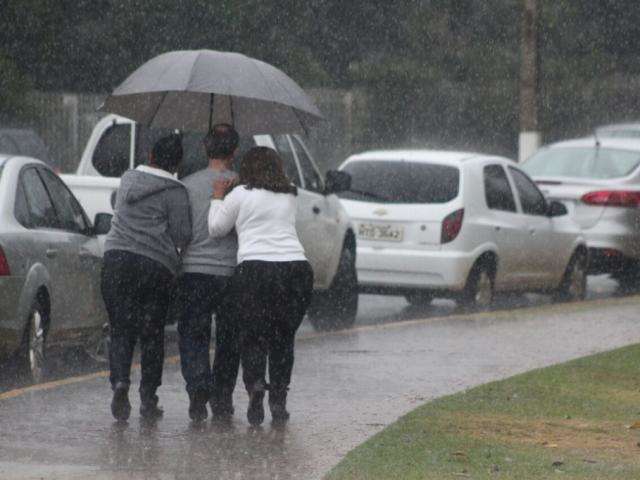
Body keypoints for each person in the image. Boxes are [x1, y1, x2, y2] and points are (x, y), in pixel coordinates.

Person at [208, 146, 314, 426]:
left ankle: (255, 385)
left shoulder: (240, 194)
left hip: (255, 269)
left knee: (253, 335)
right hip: (296, 269)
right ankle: (278, 400)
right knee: (282, 338)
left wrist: (219, 197)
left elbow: (216, 228)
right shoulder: (290, 193)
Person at [101, 134, 192, 422]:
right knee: (152, 333)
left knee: (120, 328)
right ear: (177, 164)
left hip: (116, 259)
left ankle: (120, 381)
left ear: (151, 156)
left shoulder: (128, 178)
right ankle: (148, 399)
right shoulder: (176, 191)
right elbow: (182, 235)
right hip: (155, 267)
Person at [176, 124, 240, 422]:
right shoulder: (242, 187)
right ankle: (223, 395)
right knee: (229, 337)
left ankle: (198, 388)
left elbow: (181, 232)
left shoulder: (187, 185)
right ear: (235, 151)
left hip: (194, 271)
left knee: (193, 333)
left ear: (205, 147)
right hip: (231, 271)